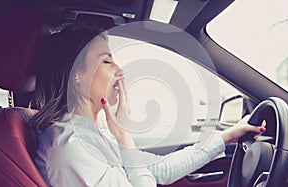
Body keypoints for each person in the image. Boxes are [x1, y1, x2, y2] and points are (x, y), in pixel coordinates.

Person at [30, 25, 266, 187]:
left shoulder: (86, 134)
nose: (120, 70)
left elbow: (158, 168)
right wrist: (124, 135)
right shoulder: (70, 148)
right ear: (75, 75)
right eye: (106, 60)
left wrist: (228, 136)